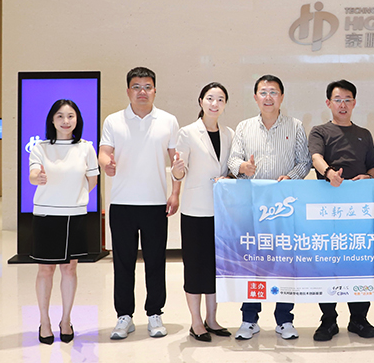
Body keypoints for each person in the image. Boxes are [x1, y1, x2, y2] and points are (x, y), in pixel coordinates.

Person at [227, 74, 312, 340]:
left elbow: (305, 162)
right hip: (252, 207)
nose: (268, 97)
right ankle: (249, 319)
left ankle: (284, 320)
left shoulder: (295, 126)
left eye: (273, 92)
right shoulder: (244, 127)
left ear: (282, 97)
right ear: (255, 97)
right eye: (263, 92)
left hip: (284, 208)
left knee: (284, 262)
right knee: (251, 261)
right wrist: (243, 167)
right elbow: (233, 160)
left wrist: (291, 178)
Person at [99, 67, 181, 340]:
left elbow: (177, 161)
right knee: (123, 263)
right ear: (128, 91)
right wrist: (106, 164)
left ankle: (155, 314)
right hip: (122, 203)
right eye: (136, 87)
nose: (142, 91)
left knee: (155, 261)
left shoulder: (168, 121)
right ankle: (124, 316)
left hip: (155, 203)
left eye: (147, 86)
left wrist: (175, 192)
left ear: (155, 90)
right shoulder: (114, 121)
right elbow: (104, 152)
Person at [309, 79, 374, 341]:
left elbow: (372, 167)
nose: (343, 104)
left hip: (359, 211)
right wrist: (329, 173)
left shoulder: (364, 133)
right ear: (328, 103)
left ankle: (359, 319)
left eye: (348, 100)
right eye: (338, 100)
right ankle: (328, 320)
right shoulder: (320, 131)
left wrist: (368, 177)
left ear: (354, 103)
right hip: (327, 209)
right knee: (328, 264)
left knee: (359, 263)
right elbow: (316, 158)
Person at [28, 99, 100, 344]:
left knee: (69, 268)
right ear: (52, 119)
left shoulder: (86, 148)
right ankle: (45, 321)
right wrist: (37, 177)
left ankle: (66, 320)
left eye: (70, 116)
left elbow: (92, 179)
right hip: (46, 215)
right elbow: (33, 173)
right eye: (60, 116)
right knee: (45, 269)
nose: (66, 121)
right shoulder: (40, 147)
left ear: (77, 119)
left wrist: (75, 197)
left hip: (74, 215)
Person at [171, 82, 234, 342]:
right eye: (209, 98)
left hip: (221, 211)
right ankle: (196, 321)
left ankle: (212, 319)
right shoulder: (187, 133)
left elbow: (230, 168)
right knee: (195, 267)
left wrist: (230, 176)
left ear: (225, 104)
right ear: (200, 101)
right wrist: (177, 171)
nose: (214, 103)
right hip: (196, 211)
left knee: (215, 267)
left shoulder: (229, 134)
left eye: (220, 99)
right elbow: (180, 171)